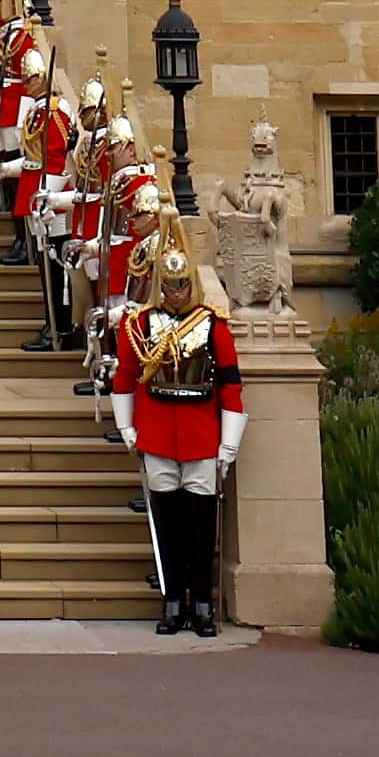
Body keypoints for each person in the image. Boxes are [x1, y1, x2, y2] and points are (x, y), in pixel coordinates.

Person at [101, 226, 246, 640]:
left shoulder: (213, 327)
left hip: (201, 434)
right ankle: (172, 601)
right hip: (159, 432)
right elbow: (127, 377)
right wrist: (127, 427)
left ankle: (201, 603)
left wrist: (228, 442)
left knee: (202, 525)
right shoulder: (140, 325)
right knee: (167, 524)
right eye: (170, 285)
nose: (177, 292)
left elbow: (230, 383)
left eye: (182, 285)